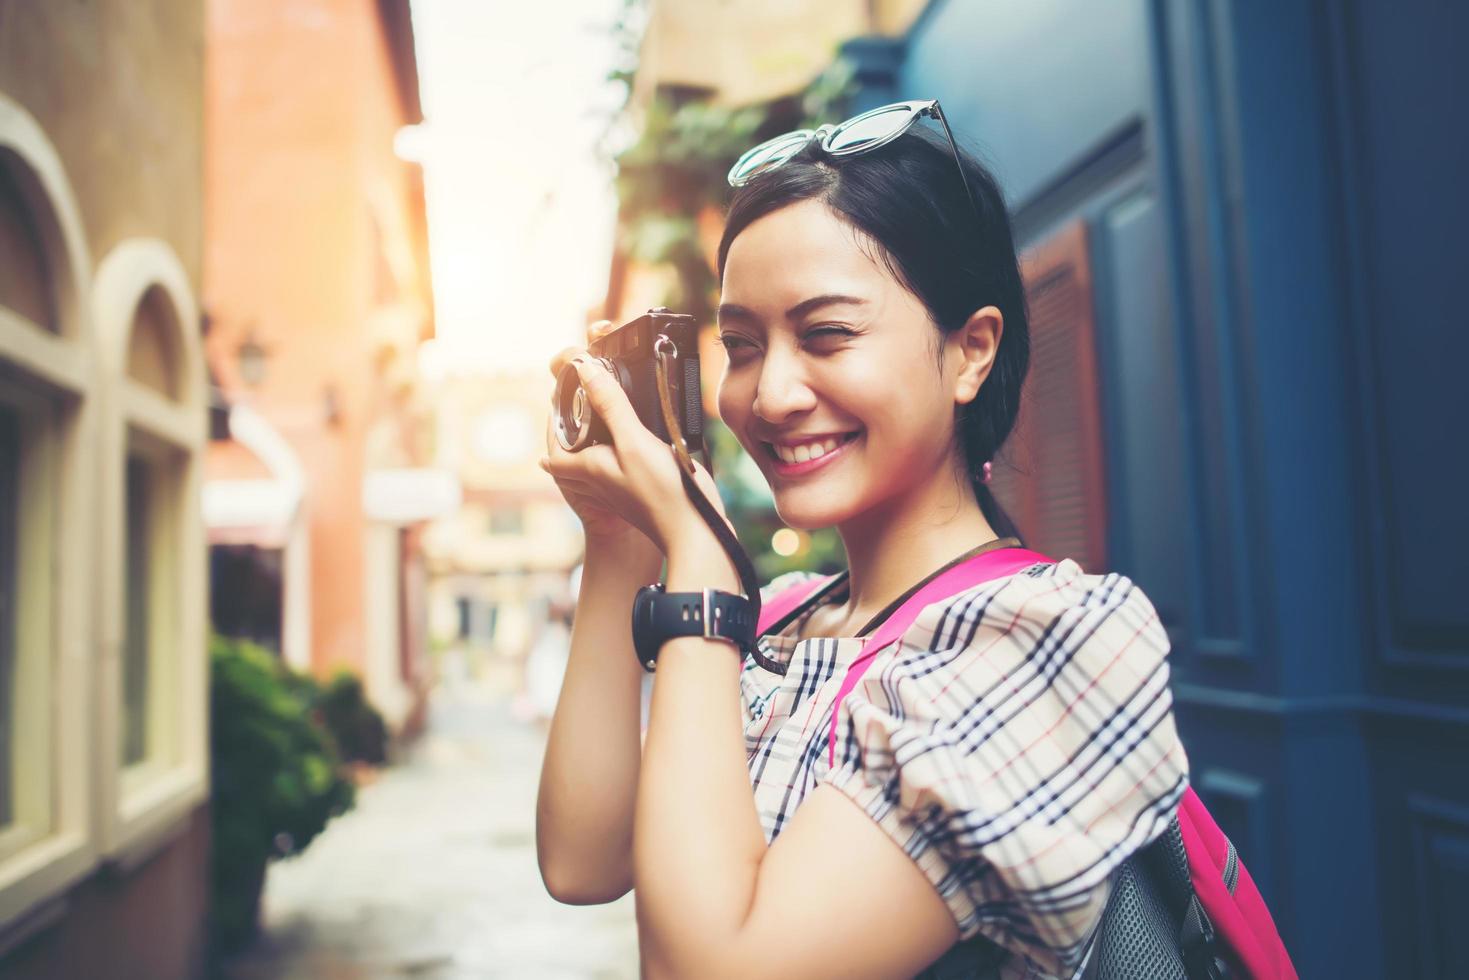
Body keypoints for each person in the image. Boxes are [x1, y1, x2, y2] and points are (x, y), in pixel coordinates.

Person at [535, 101, 1188, 979]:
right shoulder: (780, 622)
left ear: (970, 352)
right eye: (740, 345)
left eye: (827, 335)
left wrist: (697, 564)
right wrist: (620, 545)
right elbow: (583, 862)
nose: (768, 398)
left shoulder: (1047, 640)